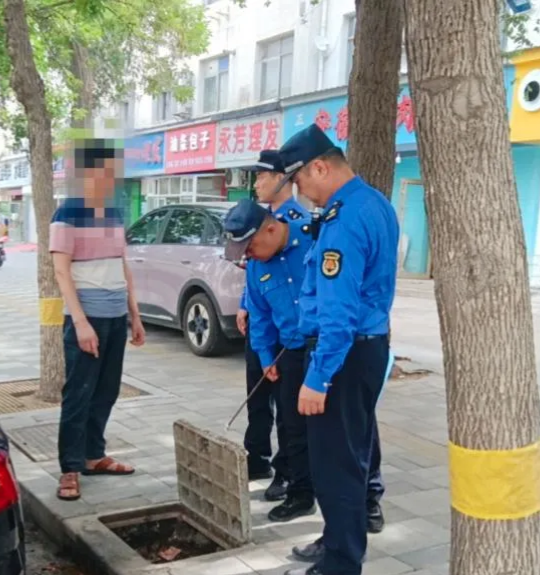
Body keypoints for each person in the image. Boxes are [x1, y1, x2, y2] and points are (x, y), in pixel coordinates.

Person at [278, 124, 399, 575]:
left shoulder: (344, 220)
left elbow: (338, 314)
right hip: (364, 348)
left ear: (320, 167)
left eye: (299, 179)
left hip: (342, 355)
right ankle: (337, 541)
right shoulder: (374, 203)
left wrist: (318, 377)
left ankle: (341, 564)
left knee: (335, 465)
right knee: (350, 455)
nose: (299, 190)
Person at [50, 138, 146, 502]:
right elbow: (61, 271)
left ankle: (93, 456)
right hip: (87, 318)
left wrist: (135, 314)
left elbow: (123, 266)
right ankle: (70, 469)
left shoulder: (114, 213)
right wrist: (80, 322)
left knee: (106, 390)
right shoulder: (67, 213)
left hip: (116, 316)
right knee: (79, 393)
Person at [225, 199, 316, 523]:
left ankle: (364, 497)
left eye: (249, 247)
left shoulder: (314, 239)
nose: (247, 256)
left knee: (337, 427)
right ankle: (301, 494)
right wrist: (265, 357)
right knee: (293, 426)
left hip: (326, 346)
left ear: (271, 229)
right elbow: (260, 316)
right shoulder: (256, 266)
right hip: (289, 349)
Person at [236, 150, 310, 502]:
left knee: (292, 413)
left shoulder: (303, 227)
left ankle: (291, 473)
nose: (257, 184)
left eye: (263, 177)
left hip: (304, 339)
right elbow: (256, 281)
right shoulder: (256, 229)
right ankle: (260, 458)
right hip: (271, 328)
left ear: (283, 178)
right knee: (259, 395)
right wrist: (244, 305)